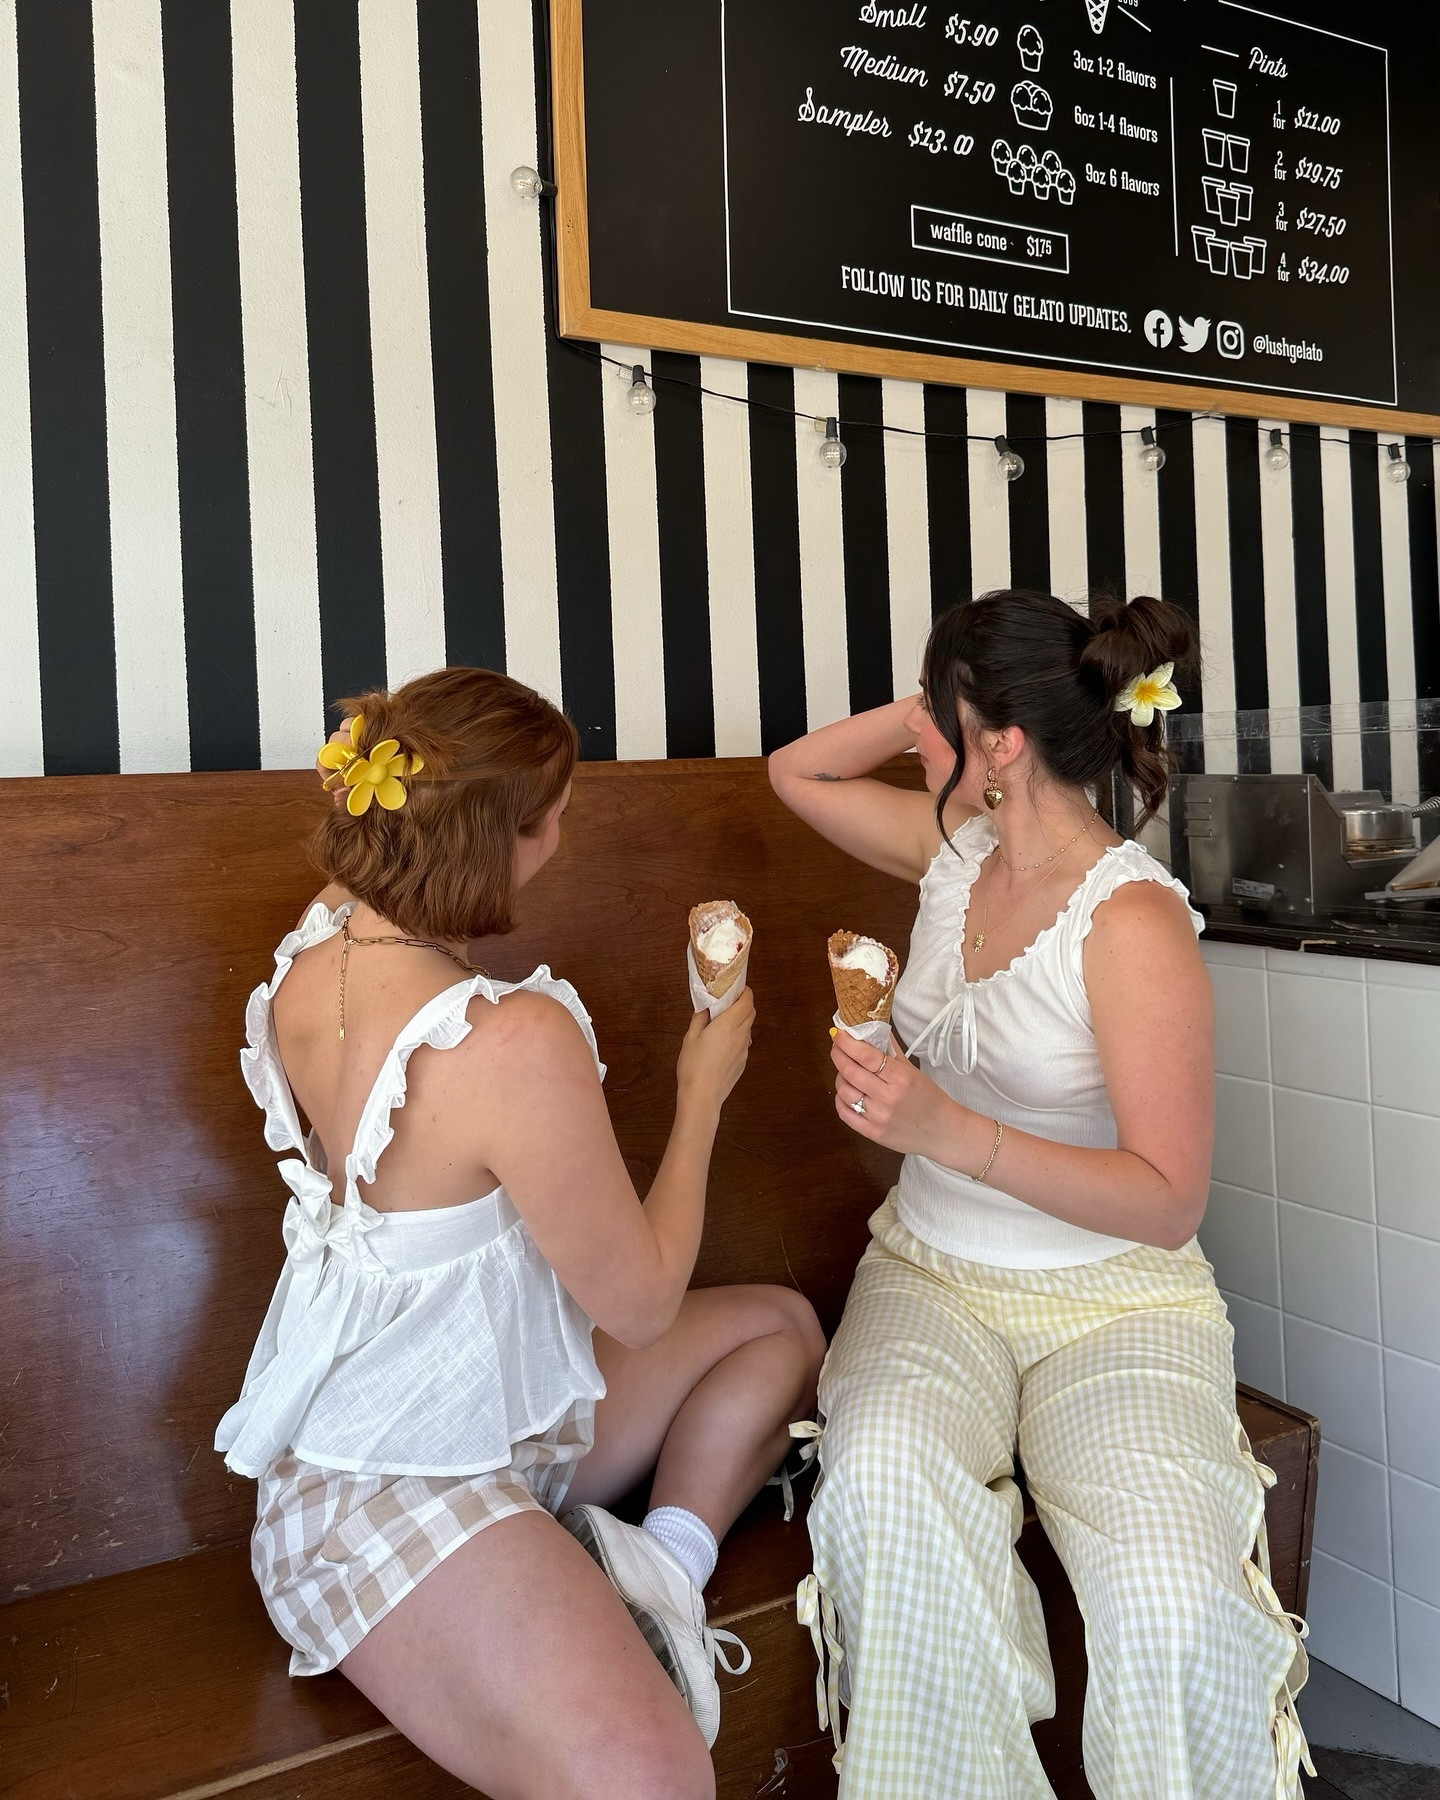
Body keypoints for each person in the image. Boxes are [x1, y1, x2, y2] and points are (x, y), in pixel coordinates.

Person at [216, 666, 826, 1800]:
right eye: (556, 814)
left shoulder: (316, 953)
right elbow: (638, 1302)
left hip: (479, 1409)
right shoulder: (513, 1040)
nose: (563, 834)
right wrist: (702, 1094)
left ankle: (655, 1570)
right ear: (508, 838)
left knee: (777, 1328)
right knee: (661, 1778)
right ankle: (602, 1592)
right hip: (383, 1492)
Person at [769, 592, 1311, 1799]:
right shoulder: (956, 855)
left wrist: (942, 1128)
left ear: (1003, 740)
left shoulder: (1129, 922)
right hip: (930, 1278)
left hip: (1115, 1304)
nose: (924, 739)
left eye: (948, 717)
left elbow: (1169, 1201)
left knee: (1172, 1589)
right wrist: (941, 725)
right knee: (884, 1489)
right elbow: (795, 775)